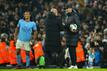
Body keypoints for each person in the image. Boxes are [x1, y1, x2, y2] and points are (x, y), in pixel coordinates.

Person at [64, 4, 80, 69]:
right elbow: (67, 25)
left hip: (73, 35)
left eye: (69, 8)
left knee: (73, 50)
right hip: (68, 35)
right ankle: (73, 64)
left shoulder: (75, 16)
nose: (68, 9)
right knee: (70, 50)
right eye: (67, 8)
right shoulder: (67, 16)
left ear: (71, 9)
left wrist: (75, 30)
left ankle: (75, 64)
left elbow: (78, 25)